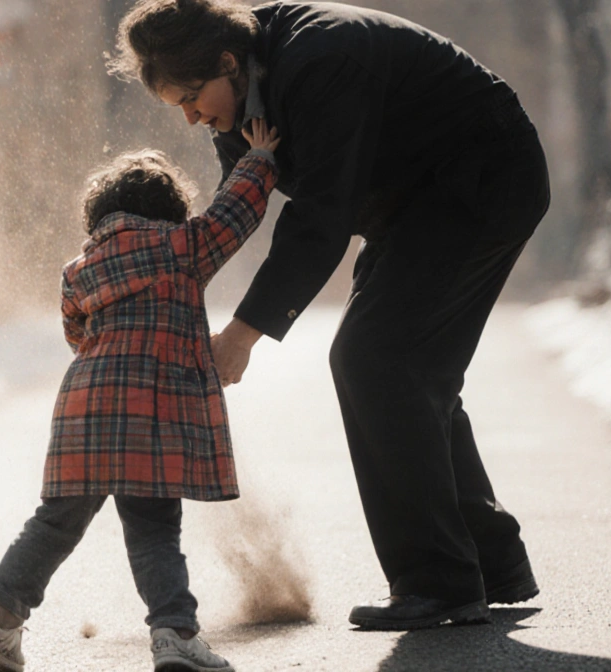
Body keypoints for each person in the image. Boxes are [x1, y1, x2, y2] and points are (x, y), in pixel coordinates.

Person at [110, 0, 550, 631]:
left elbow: (320, 217)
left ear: (228, 62)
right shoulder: (235, 99)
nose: (190, 117)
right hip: (415, 202)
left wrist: (243, 333)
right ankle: (489, 564)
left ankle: (439, 583)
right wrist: (167, 299)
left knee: (375, 358)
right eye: (175, 105)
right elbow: (238, 210)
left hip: (482, 174)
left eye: (190, 97)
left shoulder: (321, 61)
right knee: (407, 369)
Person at [0, 120, 279, 672]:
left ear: (99, 218)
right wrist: (261, 159)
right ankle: (174, 635)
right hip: (152, 415)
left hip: (84, 412)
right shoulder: (183, 246)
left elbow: (75, 334)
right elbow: (234, 216)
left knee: (54, 522)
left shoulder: (79, 269)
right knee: (154, 529)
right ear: (169, 212)